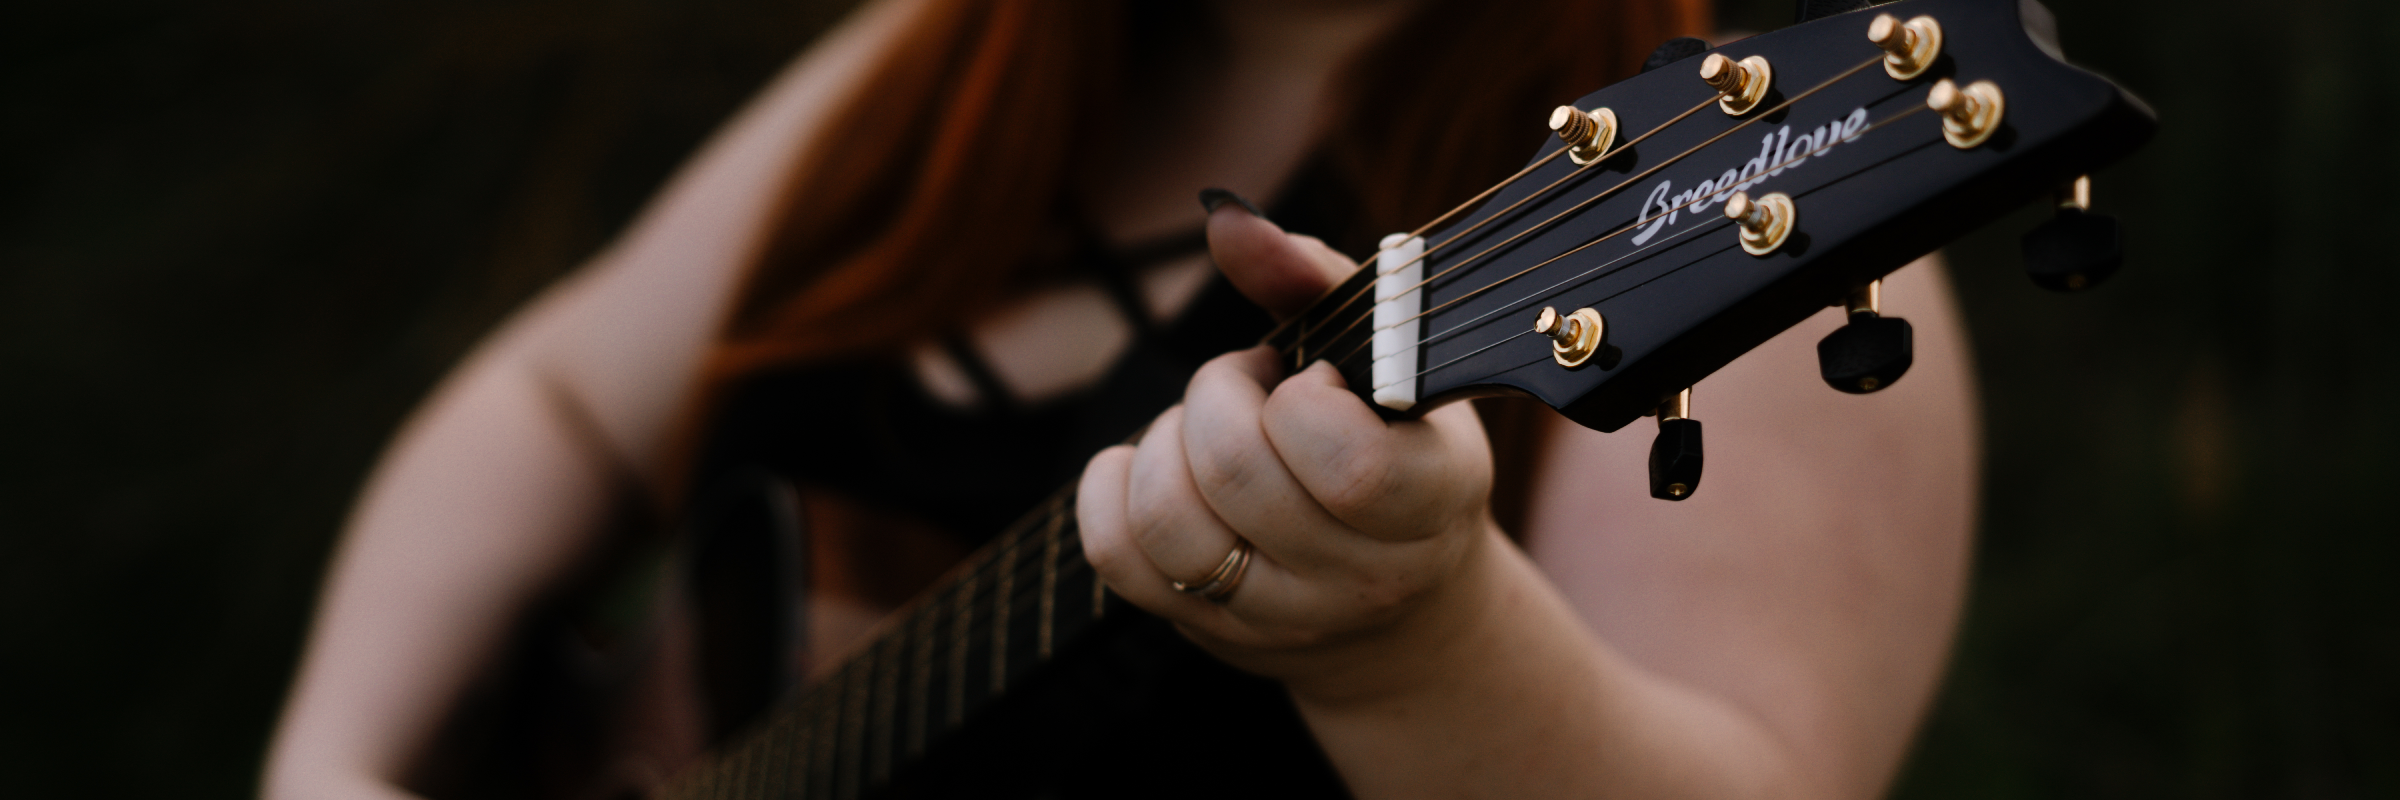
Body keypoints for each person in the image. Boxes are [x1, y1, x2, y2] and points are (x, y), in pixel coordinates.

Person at [263, 0, 1980, 797]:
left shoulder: (1725, 196)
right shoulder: (943, 66)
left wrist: (1417, 638)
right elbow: (559, 399)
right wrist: (335, 762)